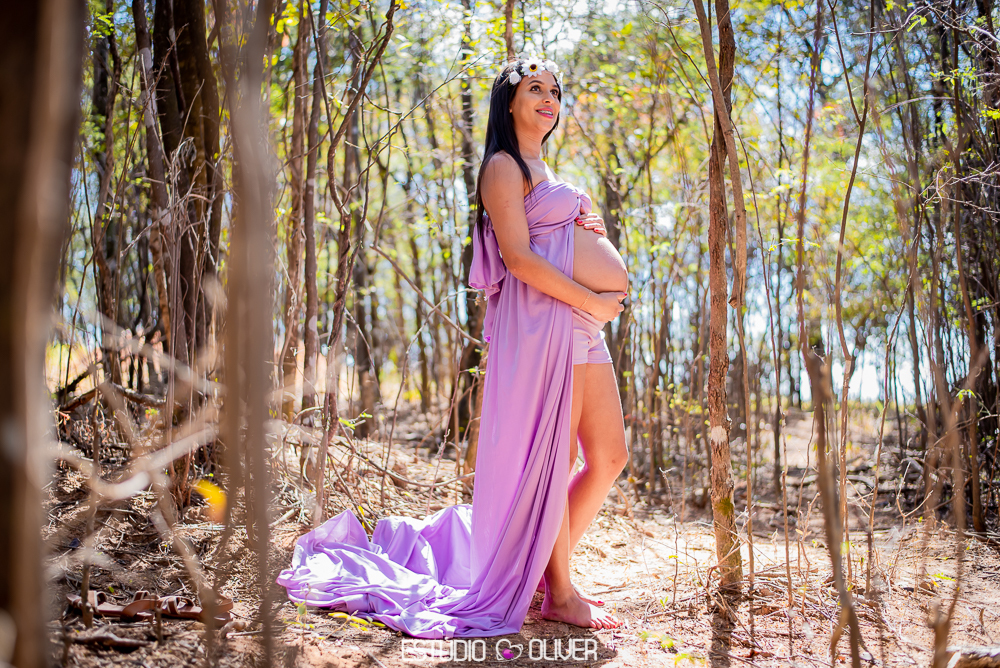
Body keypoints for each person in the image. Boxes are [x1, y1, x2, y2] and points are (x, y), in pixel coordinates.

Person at [276, 57, 630, 639]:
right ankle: (560, 593)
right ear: (509, 102)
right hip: (549, 322)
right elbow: (519, 259)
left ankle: (534, 572)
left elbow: (558, 241)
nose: (549, 98)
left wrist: (590, 231)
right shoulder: (502, 166)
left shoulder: (544, 167)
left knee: (610, 456)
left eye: (555, 91)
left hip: (581, 323)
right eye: (535, 89)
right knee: (554, 461)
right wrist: (594, 299)